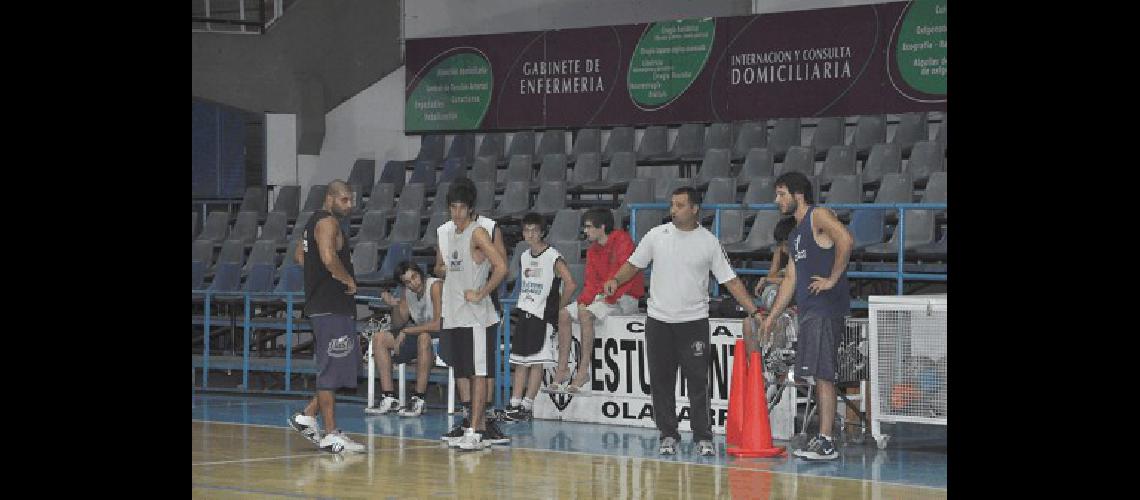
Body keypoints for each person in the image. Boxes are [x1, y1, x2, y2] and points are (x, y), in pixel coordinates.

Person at [603, 187, 762, 457]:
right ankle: (667, 434)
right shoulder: (656, 235)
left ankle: (703, 437)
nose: (673, 210)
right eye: (672, 205)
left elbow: (731, 280)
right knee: (661, 382)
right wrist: (616, 280)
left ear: (694, 209)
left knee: (698, 383)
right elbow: (634, 264)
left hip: (693, 323)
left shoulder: (709, 242)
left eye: (679, 205)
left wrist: (754, 311)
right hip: (658, 322)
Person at [760, 171, 853, 461]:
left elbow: (846, 240)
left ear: (798, 194)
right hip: (810, 310)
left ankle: (826, 441)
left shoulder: (818, 215)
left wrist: (832, 278)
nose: (777, 200)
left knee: (824, 374)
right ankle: (823, 437)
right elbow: (790, 278)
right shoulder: (797, 232)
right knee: (817, 374)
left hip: (826, 308)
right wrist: (772, 316)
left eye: (781, 194)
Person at [287, 180, 366, 454]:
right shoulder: (328, 223)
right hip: (331, 305)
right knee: (330, 370)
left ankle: (308, 415)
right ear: (330, 198)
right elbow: (329, 258)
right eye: (344, 199)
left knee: (345, 363)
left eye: (351, 199)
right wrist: (348, 281)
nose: (350, 204)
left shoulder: (313, 223)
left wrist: (317, 274)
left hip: (326, 306)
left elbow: (300, 256)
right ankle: (331, 434)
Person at [435, 180, 509, 451]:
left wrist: (481, 292)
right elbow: (442, 267)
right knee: (464, 370)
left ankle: (476, 431)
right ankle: (470, 425)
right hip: (454, 315)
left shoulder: (478, 234)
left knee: (479, 373)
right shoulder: (449, 234)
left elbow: (502, 267)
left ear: (470, 209)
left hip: (476, 316)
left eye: (462, 208)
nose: (457, 213)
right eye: (453, 207)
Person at [551, 208, 643, 394]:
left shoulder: (622, 241)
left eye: (589, 227)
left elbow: (628, 273)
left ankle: (584, 370)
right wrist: (584, 300)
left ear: (602, 227)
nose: (585, 231)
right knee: (564, 314)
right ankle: (563, 369)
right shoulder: (592, 251)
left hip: (625, 297)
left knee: (585, 313)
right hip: (603, 298)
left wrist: (605, 299)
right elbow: (591, 282)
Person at [504, 213, 576, 420]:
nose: (530, 234)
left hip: (542, 315)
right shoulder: (524, 256)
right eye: (526, 230)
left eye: (534, 230)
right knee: (520, 362)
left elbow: (570, 283)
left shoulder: (553, 256)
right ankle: (514, 403)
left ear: (542, 232)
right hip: (525, 312)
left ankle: (526, 406)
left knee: (536, 363)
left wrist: (557, 307)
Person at [364, 260, 442, 417]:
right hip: (419, 335)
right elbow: (397, 323)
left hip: (445, 338)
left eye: (414, 277)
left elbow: (438, 325)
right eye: (407, 282)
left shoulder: (435, 286)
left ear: (420, 274)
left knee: (424, 337)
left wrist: (406, 331)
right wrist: (393, 304)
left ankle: (419, 399)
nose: (413, 283)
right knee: (379, 338)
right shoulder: (408, 292)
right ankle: (389, 397)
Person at [743, 216, 797, 354]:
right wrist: (775, 278)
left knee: (780, 323)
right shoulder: (780, 251)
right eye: (781, 245)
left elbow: (796, 281)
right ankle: (758, 371)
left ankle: (777, 369)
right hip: (779, 305)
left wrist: (771, 280)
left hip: (798, 305)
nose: (784, 249)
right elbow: (772, 275)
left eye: (786, 244)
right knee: (748, 323)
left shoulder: (805, 254)